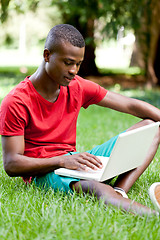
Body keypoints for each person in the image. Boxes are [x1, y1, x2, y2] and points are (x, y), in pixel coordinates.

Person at [0, 24, 160, 216]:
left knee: (152, 127)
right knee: (98, 188)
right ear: (47, 55)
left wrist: (70, 160)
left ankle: (119, 191)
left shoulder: (76, 86)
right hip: (44, 173)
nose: (74, 70)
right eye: (68, 63)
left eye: (78, 63)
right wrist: (61, 161)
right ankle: (153, 216)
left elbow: (130, 105)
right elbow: (12, 164)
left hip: (75, 162)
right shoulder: (16, 102)